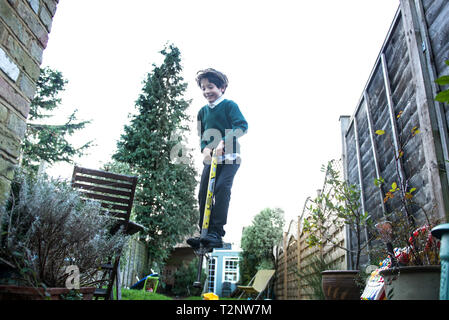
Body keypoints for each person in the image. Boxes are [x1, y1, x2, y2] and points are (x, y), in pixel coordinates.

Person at [187, 68, 248, 249]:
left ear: (222, 88)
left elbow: (242, 126)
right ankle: (204, 232)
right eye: (203, 88)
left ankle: (216, 232)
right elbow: (203, 136)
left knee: (221, 188)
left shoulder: (229, 105)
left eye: (211, 87)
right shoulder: (202, 112)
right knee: (203, 192)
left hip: (231, 157)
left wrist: (223, 142)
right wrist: (204, 149)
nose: (207, 92)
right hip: (212, 159)